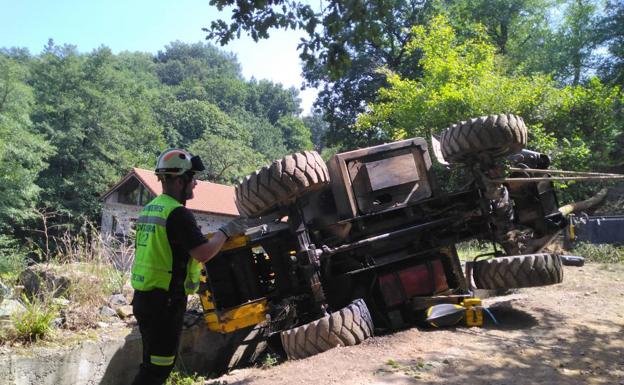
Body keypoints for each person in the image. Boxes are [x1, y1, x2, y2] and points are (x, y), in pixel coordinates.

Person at [130, 148, 246, 385]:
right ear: (180, 180)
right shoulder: (178, 214)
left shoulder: (150, 209)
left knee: (151, 364)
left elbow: (165, 252)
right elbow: (203, 252)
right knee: (158, 369)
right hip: (164, 302)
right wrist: (225, 232)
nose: (195, 184)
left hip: (145, 298)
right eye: (192, 178)